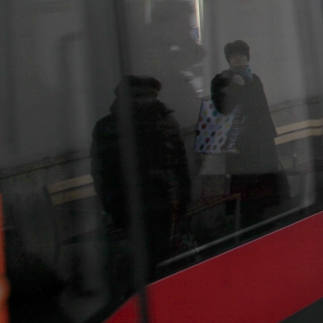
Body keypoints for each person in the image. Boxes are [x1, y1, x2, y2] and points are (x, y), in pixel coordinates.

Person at [92, 75, 191, 268]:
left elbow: (179, 164)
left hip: (163, 205)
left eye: (148, 97)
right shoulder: (111, 127)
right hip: (137, 207)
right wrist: (115, 209)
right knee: (153, 261)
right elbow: (105, 175)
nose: (145, 102)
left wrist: (182, 199)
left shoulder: (163, 121)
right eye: (139, 97)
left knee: (161, 260)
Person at [212, 40, 287, 226]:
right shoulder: (221, 79)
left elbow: (263, 109)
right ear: (228, 59)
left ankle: (265, 222)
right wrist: (236, 86)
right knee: (247, 189)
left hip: (261, 140)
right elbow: (222, 109)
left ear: (247, 58)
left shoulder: (255, 78)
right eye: (234, 55)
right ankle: (250, 226)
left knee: (266, 187)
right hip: (241, 145)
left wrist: (270, 134)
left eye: (242, 55)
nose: (238, 58)